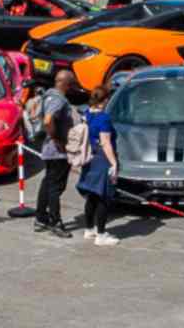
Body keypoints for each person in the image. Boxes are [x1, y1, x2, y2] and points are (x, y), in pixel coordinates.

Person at [76, 87, 121, 247]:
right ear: (105, 100)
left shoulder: (86, 114)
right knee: (103, 197)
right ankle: (101, 235)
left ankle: (89, 229)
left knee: (92, 196)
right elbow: (106, 142)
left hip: (89, 158)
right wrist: (114, 163)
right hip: (102, 159)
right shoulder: (104, 118)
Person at [34, 70, 76, 239]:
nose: (73, 87)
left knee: (48, 182)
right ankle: (55, 222)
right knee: (56, 187)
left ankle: (41, 217)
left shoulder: (48, 96)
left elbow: (37, 115)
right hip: (57, 151)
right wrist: (56, 138)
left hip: (48, 150)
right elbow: (48, 120)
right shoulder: (59, 99)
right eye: (72, 84)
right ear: (66, 84)